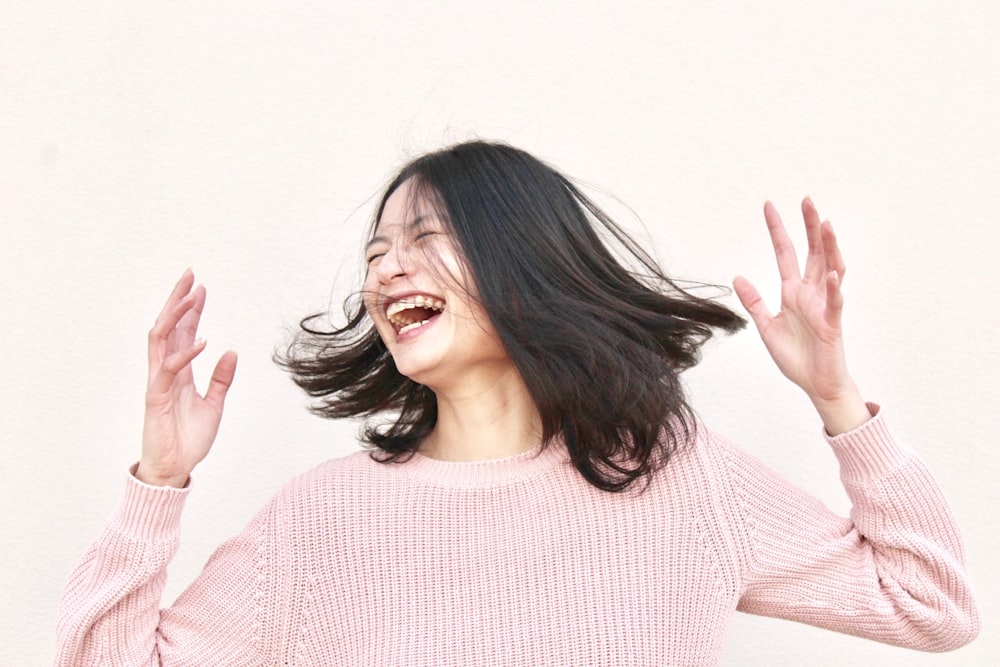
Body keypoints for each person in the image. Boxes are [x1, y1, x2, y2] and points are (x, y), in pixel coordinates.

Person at [55, 141, 979, 666]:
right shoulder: (319, 521)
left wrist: (839, 400)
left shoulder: (677, 478)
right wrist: (159, 481)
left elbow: (932, 602)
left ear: (523, 263)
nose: (387, 269)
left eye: (424, 237)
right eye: (377, 253)